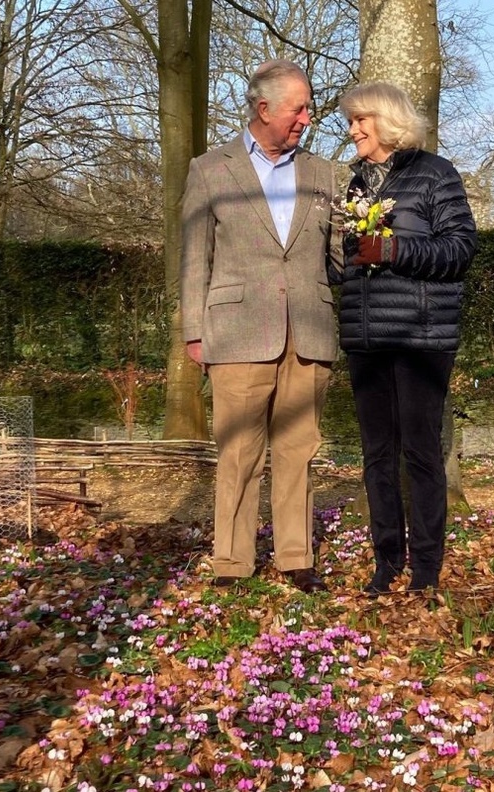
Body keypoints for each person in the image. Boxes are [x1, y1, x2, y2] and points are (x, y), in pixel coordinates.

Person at [180, 59, 340, 594]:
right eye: (299, 108)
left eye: (308, 108)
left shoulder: (324, 173)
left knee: (298, 451)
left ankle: (296, 558)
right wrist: (194, 332)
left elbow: (338, 256)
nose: (307, 118)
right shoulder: (210, 169)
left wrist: (376, 238)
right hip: (237, 332)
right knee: (239, 453)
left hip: (309, 331)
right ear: (264, 108)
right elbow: (194, 257)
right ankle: (232, 561)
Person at [330, 82, 477, 597]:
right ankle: (386, 562)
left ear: (387, 120)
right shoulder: (354, 185)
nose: (352, 130)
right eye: (350, 121)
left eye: (360, 120)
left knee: (420, 453)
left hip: (421, 336)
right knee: (376, 456)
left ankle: (426, 569)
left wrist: (393, 251)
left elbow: (460, 249)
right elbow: (344, 262)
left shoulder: (436, 173)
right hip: (366, 337)